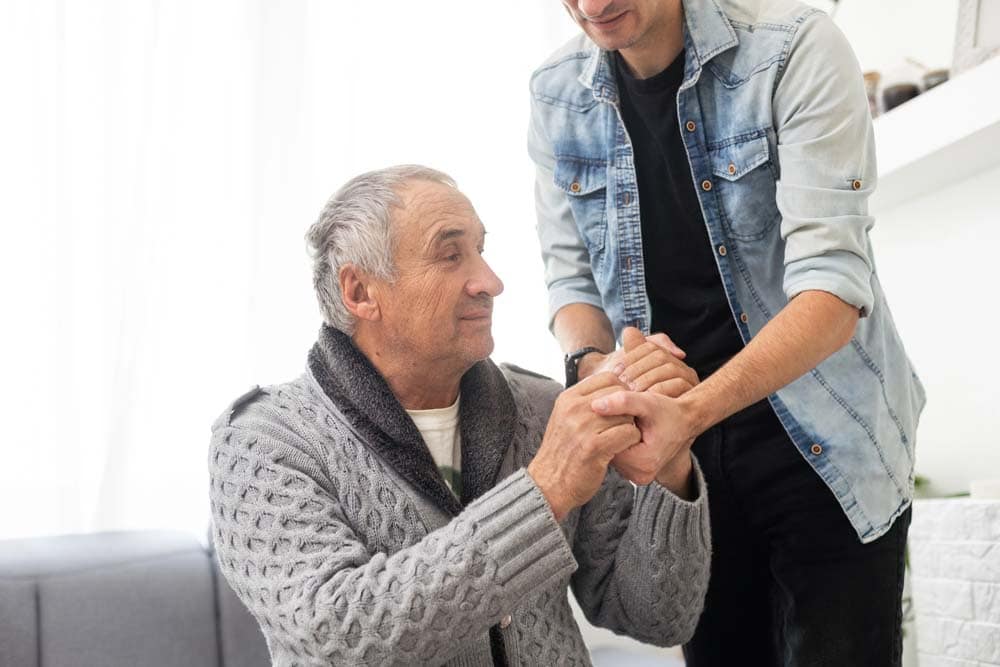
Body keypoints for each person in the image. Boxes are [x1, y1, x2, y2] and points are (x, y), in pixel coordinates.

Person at [527, 1, 926, 665]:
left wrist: (687, 410)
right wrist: (598, 370)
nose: (592, 6)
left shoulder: (794, 47)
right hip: (685, 468)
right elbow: (569, 283)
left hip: (824, 444)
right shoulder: (555, 93)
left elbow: (831, 291)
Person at [208, 165, 711, 666]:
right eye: (451, 255)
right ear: (360, 292)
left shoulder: (542, 408)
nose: (491, 282)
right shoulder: (260, 444)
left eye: (481, 251)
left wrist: (670, 462)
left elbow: (658, 619)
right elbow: (341, 637)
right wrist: (546, 490)